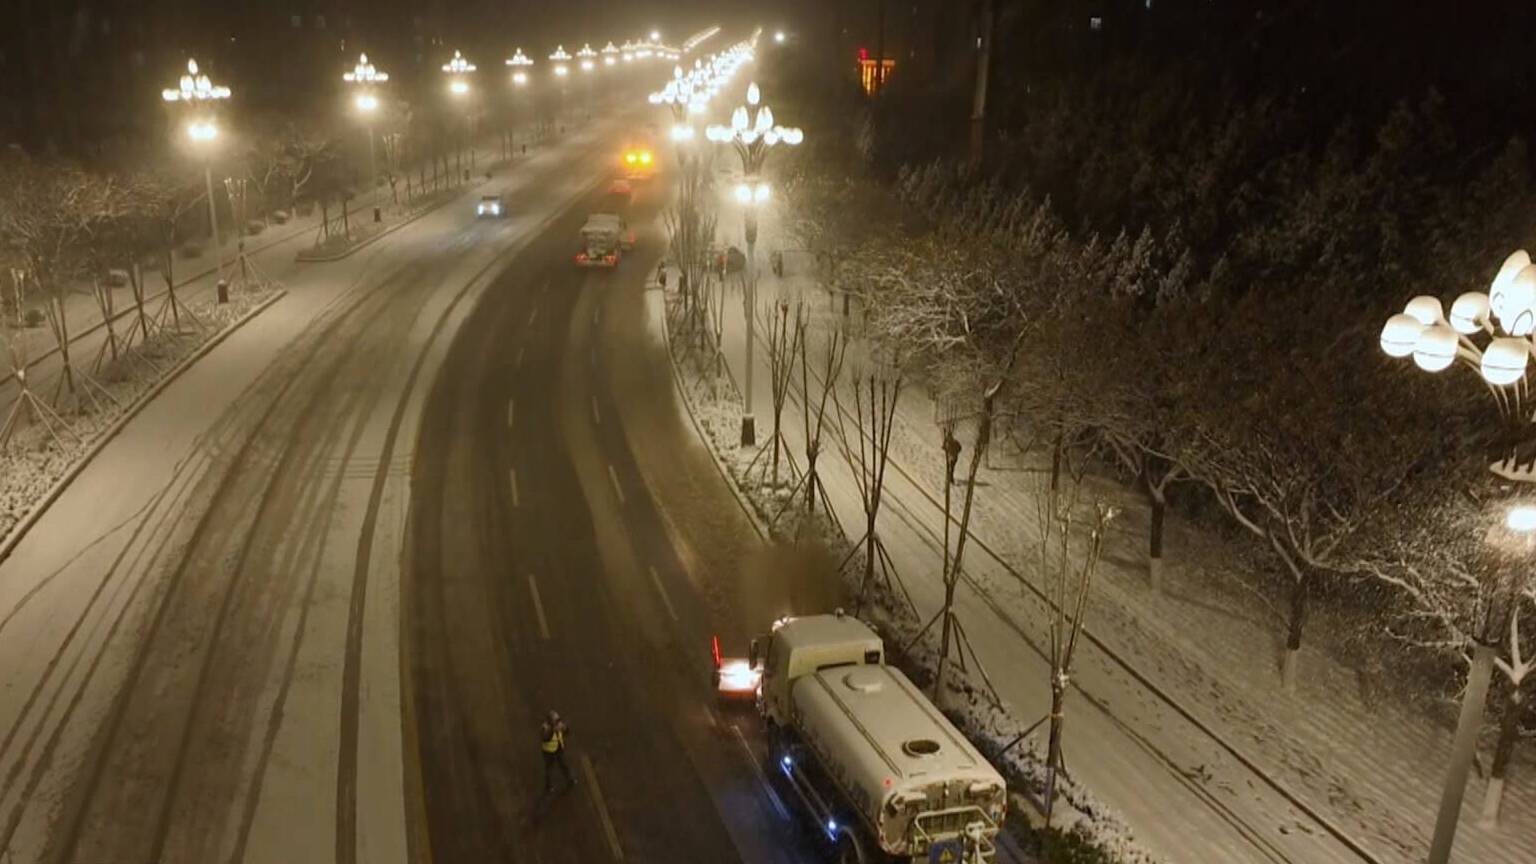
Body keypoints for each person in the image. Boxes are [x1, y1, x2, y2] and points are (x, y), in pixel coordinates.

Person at [540, 710, 574, 793]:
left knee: (564, 765)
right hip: (549, 752)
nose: (558, 722)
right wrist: (553, 730)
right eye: (556, 720)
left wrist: (565, 728)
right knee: (549, 769)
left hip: (559, 750)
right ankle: (548, 786)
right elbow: (545, 737)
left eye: (558, 720)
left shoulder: (559, 725)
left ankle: (570, 779)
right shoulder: (545, 727)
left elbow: (567, 732)